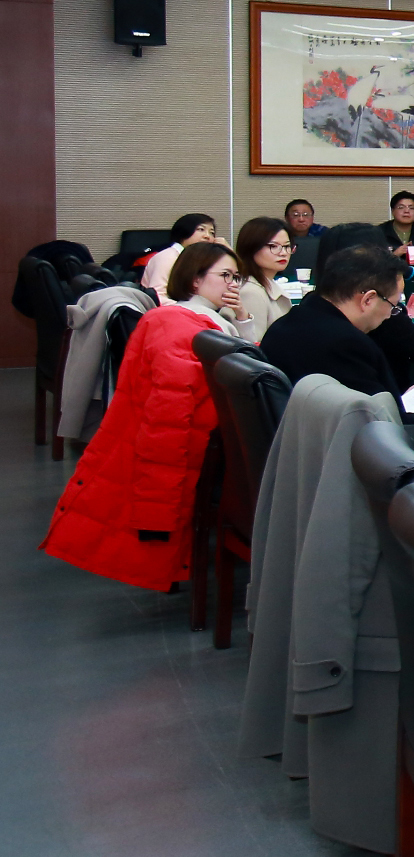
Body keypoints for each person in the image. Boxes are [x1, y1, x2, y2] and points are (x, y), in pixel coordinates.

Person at [41, 256, 247, 591]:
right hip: (211, 456)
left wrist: (242, 318)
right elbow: (167, 427)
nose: (233, 284)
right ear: (194, 280)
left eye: (238, 277)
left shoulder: (196, 320)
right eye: (225, 275)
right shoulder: (184, 330)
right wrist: (157, 518)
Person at [260, 244, 414, 402]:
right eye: (393, 306)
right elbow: (382, 424)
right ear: (368, 299)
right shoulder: (349, 345)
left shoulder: (286, 323)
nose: (390, 315)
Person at [231, 217, 294, 341]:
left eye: (287, 246)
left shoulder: (266, 282)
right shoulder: (251, 293)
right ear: (251, 248)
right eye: (273, 246)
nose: (283, 253)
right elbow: (254, 345)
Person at [140, 212, 217, 296]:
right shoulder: (167, 257)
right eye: (201, 229)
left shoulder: (203, 260)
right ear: (184, 232)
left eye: (212, 233)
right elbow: (158, 296)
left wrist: (225, 250)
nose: (207, 236)